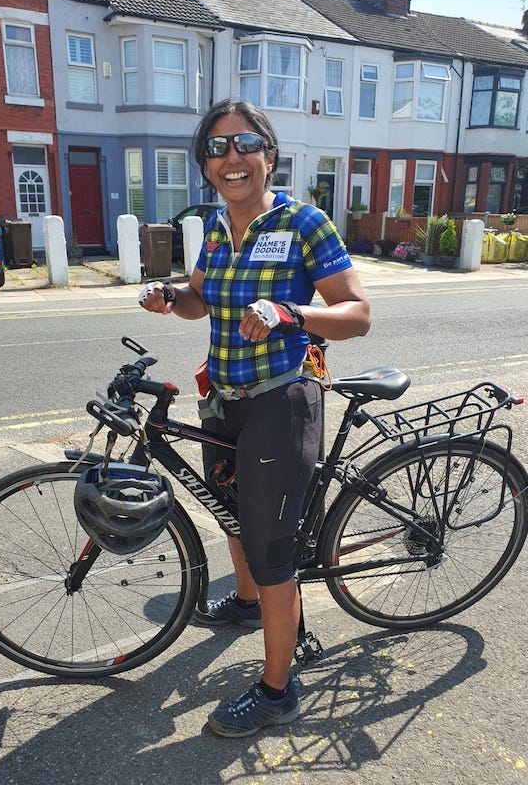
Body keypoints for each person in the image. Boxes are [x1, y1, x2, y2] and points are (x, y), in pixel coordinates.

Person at [139, 99, 371, 738]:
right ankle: (246, 605)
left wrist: (292, 313)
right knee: (231, 513)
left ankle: (278, 689)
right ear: (206, 166)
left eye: (244, 144)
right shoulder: (215, 227)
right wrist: (171, 297)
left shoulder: (304, 222)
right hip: (224, 397)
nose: (231, 158)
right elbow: (198, 301)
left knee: (272, 550)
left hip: (282, 398)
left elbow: (357, 313)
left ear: (268, 154)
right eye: (216, 148)